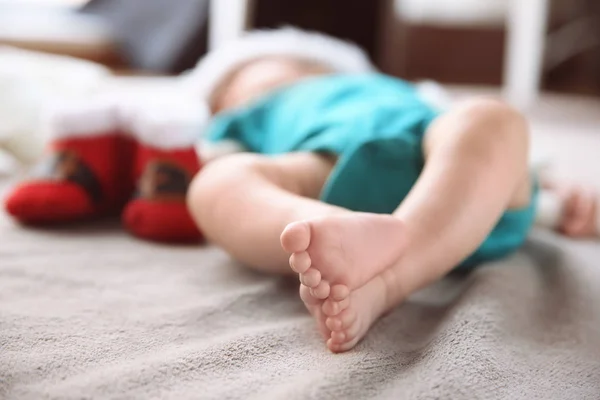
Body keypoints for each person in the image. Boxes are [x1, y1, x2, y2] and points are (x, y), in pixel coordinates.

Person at [186, 28, 599, 353]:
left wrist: (560, 195)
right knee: (216, 183)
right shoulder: (236, 121)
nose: (233, 94)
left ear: (316, 66)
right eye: (225, 93)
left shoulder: (400, 89)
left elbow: (497, 149)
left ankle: (390, 276)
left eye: (247, 76)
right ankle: (334, 237)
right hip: (326, 174)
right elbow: (197, 163)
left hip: (451, 179)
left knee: (491, 117)